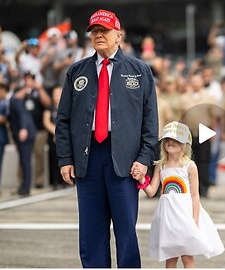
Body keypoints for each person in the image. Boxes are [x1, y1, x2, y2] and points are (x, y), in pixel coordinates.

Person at [55, 9, 158, 267]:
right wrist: (65, 158)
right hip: (88, 160)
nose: (99, 35)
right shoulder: (76, 72)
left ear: (118, 36)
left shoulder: (140, 71)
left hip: (124, 161)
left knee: (125, 230)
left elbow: (150, 121)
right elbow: (64, 119)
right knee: (91, 231)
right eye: (94, 31)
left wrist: (145, 158)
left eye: (104, 31)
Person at [135, 121, 224, 267]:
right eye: (167, 139)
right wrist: (141, 179)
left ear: (184, 144)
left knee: (187, 257)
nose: (170, 142)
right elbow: (151, 192)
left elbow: (195, 195)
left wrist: (194, 221)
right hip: (168, 218)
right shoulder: (160, 165)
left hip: (185, 216)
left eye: (176, 139)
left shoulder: (190, 166)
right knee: (170, 258)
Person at [179, 73, 219, 198]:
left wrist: (213, 132)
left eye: (198, 80)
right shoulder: (184, 98)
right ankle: (191, 188)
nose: (196, 83)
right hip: (188, 132)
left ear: (202, 82)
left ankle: (204, 188)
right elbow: (181, 117)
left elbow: (213, 116)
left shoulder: (209, 97)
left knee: (204, 161)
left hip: (204, 131)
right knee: (189, 161)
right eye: (193, 80)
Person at [16, 72, 51, 189]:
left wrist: (39, 89)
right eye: (26, 79)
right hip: (24, 129)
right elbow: (15, 99)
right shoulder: (21, 90)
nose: (29, 81)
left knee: (39, 155)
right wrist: (26, 89)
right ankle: (22, 180)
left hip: (39, 128)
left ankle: (38, 180)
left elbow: (48, 103)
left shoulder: (39, 91)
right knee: (23, 155)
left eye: (31, 79)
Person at [9, 83, 37, 197]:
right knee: (24, 161)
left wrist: (23, 129)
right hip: (25, 133)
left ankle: (25, 187)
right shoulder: (16, 101)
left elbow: (23, 116)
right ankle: (24, 186)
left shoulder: (18, 102)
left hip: (25, 134)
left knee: (25, 161)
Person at [43, 86, 63, 189]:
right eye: (55, 94)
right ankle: (55, 181)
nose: (57, 96)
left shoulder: (67, 107)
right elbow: (46, 121)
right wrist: (56, 133)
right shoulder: (50, 108)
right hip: (53, 138)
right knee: (53, 160)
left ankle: (64, 181)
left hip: (64, 138)